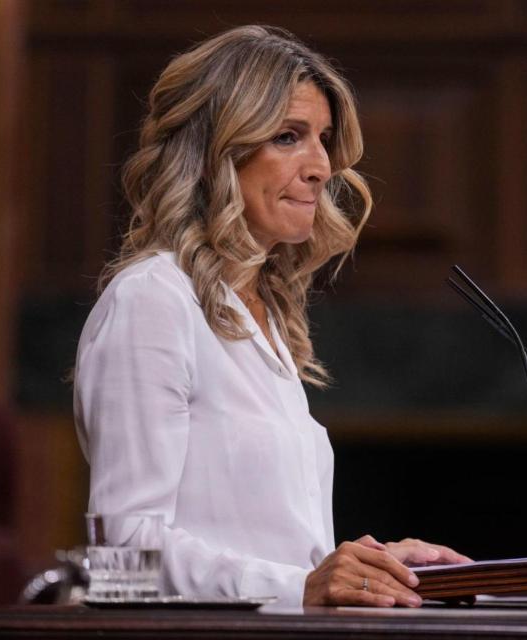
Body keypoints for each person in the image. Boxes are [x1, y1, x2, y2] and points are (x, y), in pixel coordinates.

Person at [73, 24, 469, 609]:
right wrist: (303, 586)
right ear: (217, 152)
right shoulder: (152, 302)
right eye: (289, 136)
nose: (321, 166)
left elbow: (253, 544)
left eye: (324, 139)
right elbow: (121, 563)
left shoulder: (265, 314)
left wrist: (367, 567)